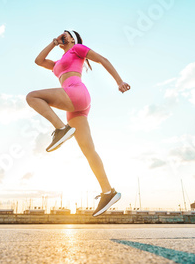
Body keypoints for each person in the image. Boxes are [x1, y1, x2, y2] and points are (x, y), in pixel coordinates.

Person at [26, 30, 131, 217]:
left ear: (73, 38)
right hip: (74, 106)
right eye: (61, 34)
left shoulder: (77, 49)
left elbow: (103, 60)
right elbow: (38, 61)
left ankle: (61, 129)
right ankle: (108, 192)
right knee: (88, 151)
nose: (62, 36)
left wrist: (119, 81)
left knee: (32, 96)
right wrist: (53, 42)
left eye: (65, 34)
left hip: (76, 92)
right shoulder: (57, 64)